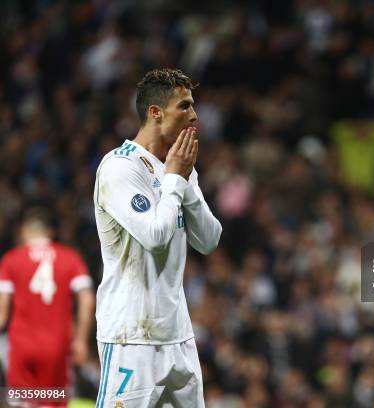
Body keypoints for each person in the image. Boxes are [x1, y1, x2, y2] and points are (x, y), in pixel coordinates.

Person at [93, 68, 222, 407]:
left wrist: (185, 180)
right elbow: (155, 236)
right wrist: (176, 179)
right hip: (131, 336)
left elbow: (209, 240)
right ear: (155, 112)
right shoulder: (120, 167)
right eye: (184, 106)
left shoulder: (177, 166)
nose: (194, 115)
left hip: (177, 333)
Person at [0, 208, 95, 404]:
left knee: (22, 401)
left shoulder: (11, 260)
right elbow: (87, 299)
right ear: (50, 233)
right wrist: (81, 340)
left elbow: (2, 314)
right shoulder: (70, 258)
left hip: (21, 346)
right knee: (53, 400)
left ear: (24, 232)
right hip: (57, 346)